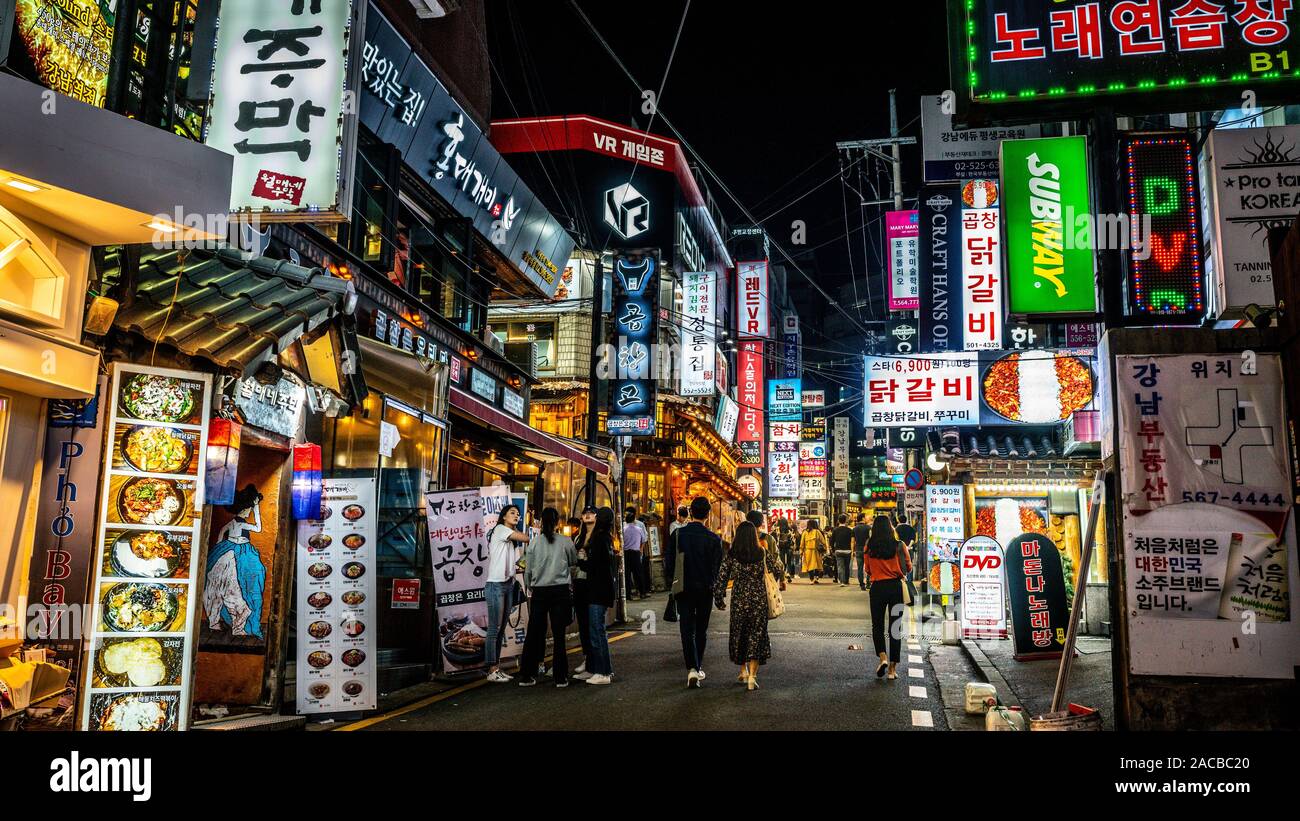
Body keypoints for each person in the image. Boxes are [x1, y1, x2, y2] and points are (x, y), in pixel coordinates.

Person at [664, 496, 724, 688]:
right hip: (705, 589)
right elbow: (717, 569)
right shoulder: (714, 539)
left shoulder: (678, 535)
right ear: (708, 515)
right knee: (701, 630)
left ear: (690, 512)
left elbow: (669, 563)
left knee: (686, 628)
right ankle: (698, 668)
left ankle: (691, 668)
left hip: (683, 588)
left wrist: (670, 584)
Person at [517, 508, 577, 687]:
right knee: (559, 635)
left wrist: (530, 586)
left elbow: (527, 571)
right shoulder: (566, 542)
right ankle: (561, 677)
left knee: (534, 633)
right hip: (560, 591)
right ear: (558, 522)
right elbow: (573, 564)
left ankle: (527, 675)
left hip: (539, 592)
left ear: (541, 523)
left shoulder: (534, 543)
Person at [713, 521, 772, 691]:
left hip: (739, 600)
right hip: (758, 600)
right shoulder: (761, 552)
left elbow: (722, 576)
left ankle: (743, 671)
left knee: (740, 634)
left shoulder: (732, 554)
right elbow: (776, 567)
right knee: (756, 635)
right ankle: (753, 676)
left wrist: (719, 598)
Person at [204, 484, 266, 638]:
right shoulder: (241, 523)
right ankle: (238, 625)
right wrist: (257, 508)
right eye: (250, 508)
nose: (250, 511)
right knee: (243, 583)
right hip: (240, 550)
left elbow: (222, 532)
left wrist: (219, 546)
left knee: (218, 585)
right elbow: (258, 528)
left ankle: (218, 621)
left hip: (229, 548)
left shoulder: (233, 523)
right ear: (246, 509)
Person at [484, 504, 530, 683]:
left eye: (518, 514)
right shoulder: (501, 529)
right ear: (503, 516)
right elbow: (526, 537)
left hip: (508, 584)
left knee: (501, 628)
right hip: (495, 585)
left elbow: (518, 562)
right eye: (512, 513)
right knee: (494, 629)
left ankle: (496, 667)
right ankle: (491, 669)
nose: (516, 515)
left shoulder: (510, 539)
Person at [866, 515, 913, 681]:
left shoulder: (869, 546)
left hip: (877, 588)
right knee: (895, 627)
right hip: (896, 588)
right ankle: (892, 669)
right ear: (890, 527)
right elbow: (908, 567)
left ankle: (883, 658)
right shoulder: (899, 545)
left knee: (877, 625)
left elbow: (867, 569)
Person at [576, 507, 617, 685]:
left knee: (597, 631)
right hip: (601, 589)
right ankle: (595, 668)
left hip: (597, 590)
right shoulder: (607, 538)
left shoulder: (599, 539)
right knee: (595, 630)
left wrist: (583, 559)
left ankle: (602, 672)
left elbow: (593, 566)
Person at [746, 509, 783, 585]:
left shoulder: (741, 539)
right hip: (763, 582)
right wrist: (782, 579)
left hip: (742, 585)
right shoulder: (769, 539)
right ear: (761, 523)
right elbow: (776, 560)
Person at [622, 507, 647, 601]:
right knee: (639, 573)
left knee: (627, 575)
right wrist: (641, 549)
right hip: (636, 553)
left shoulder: (623, 529)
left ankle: (627, 595)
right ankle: (642, 592)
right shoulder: (639, 528)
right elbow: (644, 540)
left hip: (626, 553)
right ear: (634, 519)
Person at [800, 518, 828, 583]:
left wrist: (801, 551)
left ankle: (811, 579)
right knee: (816, 565)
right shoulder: (817, 532)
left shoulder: (805, 532)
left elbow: (802, 543)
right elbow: (823, 541)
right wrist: (825, 549)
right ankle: (815, 578)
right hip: (816, 552)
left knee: (809, 566)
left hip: (807, 552)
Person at [830, 514, 854, 586]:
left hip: (838, 550)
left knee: (840, 566)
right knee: (847, 566)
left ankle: (842, 581)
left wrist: (833, 550)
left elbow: (832, 541)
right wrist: (852, 550)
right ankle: (846, 581)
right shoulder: (850, 530)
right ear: (846, 521)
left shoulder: (835, 530)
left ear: (838, 521)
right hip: (847, 551)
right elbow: (852, 541)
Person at [851, 512, 871, 591]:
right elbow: (871, 539)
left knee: (860, 568)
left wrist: (853, 551)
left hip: (858, 550)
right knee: (868, 567)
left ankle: (861, 584)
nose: (866, 518)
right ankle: (868, 583)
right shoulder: (868, 528)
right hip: (867, 550)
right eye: (865, 517)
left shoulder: (854, 528)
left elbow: (852, 541)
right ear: (862, 518)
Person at [775, 518, 797, 583]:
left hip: (781, 547)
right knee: (789, 562)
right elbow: (793, 539)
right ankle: (788, 574)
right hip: (788, 547)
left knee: (782, 562)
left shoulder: (777, 529)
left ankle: (783, 575)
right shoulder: (790, 529)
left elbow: (776, 538)